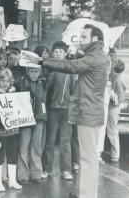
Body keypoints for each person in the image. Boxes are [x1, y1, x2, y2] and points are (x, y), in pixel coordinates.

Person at [24, 24, 108, 198]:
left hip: (88, 114)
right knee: (87, 158)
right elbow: (74, 61)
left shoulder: (94, 58)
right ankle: (83, 192)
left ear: (95, 39)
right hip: (89, 113)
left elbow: (71, 66)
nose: (80, 39)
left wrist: (41, 61)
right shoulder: (96, 55)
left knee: (88, 159)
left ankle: (87, 195)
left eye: (84, 37)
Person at [43, 41, 75, 180]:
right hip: (52, 109)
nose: (58, 54)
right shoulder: (49, 68)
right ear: (52, 53)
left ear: (65, 53)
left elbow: (74, 90)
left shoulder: (71, 69)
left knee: (65, 141)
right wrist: (49, 74)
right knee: (49, 141)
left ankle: (66, 170)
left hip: (67, 110)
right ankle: (47, 169)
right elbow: (46, 88)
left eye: (60, 52)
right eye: (55, 51)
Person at [0, 70, 22, 191]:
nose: (5, 83)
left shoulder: (14, 92)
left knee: (12, 154)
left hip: (13, 128)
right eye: (2, 81)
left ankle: (12, 180)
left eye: (7, 81)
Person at [16, 66, 48, 184]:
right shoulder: (22, 81)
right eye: (31, 71)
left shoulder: (44, 82)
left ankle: (36, 173)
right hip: (25, 119)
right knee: (23, 146)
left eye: (36, 71)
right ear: (27, 72)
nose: (34, 74)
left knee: (36, 146)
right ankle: (23, 175)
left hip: (39, 117)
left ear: (40, 72)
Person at [106, 59, 126, 163]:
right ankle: (115, 155)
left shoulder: (114, 78)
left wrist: (115, 102)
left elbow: (120, 96)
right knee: (112, 130)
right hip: (115, 107)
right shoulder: (119, 77)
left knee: (112, 130)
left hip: (112, 107)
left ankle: (115, 155)